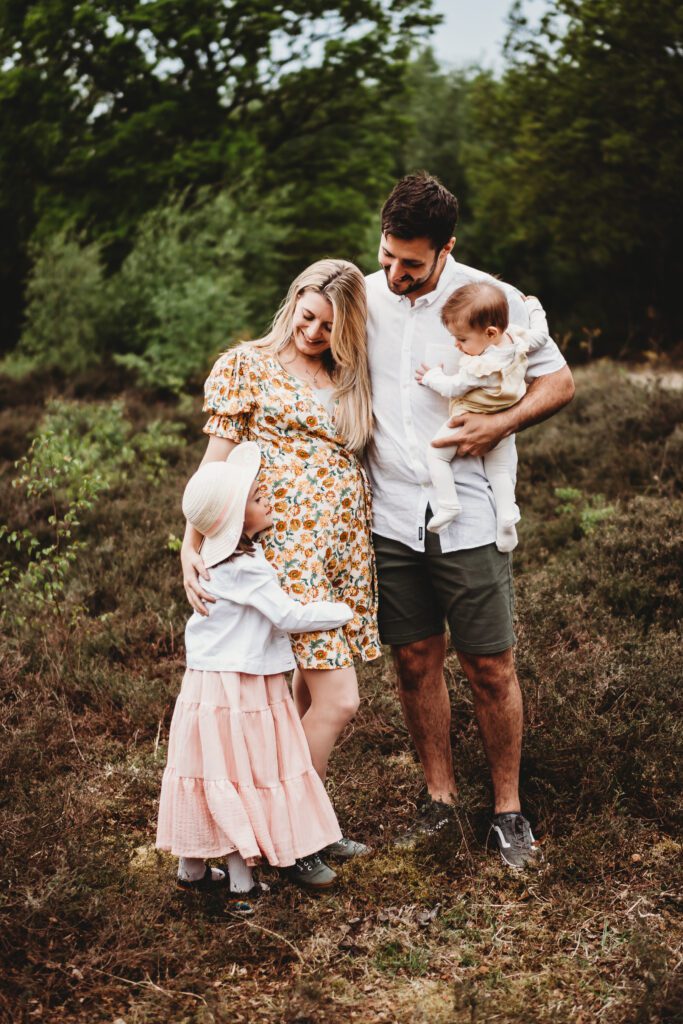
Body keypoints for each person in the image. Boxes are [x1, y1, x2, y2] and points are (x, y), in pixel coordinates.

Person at [365, 172, 575, 868]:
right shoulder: (362, 296)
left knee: (489, 664)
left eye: (411, 264)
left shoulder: (493, 297)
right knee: (413, 659)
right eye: (388, 255)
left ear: (446, 248)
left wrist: (499, 427)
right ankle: (439, 801)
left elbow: (558, 380)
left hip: (467, 515)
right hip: (391, 513)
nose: (395, 273)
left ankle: (507, 811)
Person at [181, 259, 380, 860]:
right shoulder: (250, 365)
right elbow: (215, 466)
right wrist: (192, 542)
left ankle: (282, 824)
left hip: (340, 552)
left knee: (290, 704)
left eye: (329, 326)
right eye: (308, 314)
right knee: (339, 700)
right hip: (286, 554)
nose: (313, 331)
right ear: (295, 299)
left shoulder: (349, 380)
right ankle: (299, 836)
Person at [157, 442, 355, 899]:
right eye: (254, 497)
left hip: (205, 682)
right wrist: (341, 611)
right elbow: (287, 616)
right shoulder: (248, 568)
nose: (265, 497)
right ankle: (243, 882)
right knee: (239, 772)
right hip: (242, 684)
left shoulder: (211, 559)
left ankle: (192, 869)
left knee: (209, 769)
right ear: (235, 520)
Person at [417, 281, 550, 551]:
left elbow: (452, 387)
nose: (456, 345)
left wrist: (432, 376)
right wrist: (534, 306)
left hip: (470, 419)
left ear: (490, 333)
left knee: (436, 454)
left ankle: (448, 504)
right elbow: (542, 335)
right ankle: (506, 518)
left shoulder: (481, 366)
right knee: (499, 470)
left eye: (462, 339)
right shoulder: (515, 338)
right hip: (503, 422)